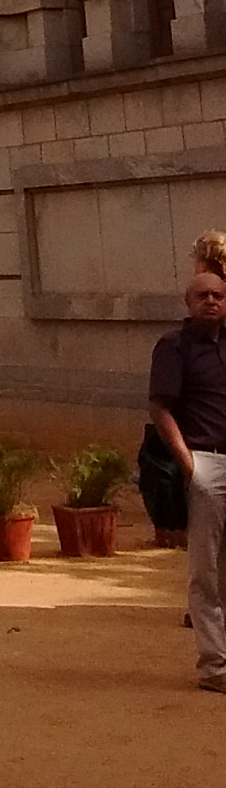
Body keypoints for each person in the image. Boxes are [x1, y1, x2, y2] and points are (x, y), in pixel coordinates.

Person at [149, 264, 226, 690]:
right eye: (203, 296)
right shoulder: (174, 347)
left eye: (218, 295)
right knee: (205, 570)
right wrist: (190, 466)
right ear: (188, 302)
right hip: (205, 464)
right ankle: (215, 667)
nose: (211, 301)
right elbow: (160, 409)